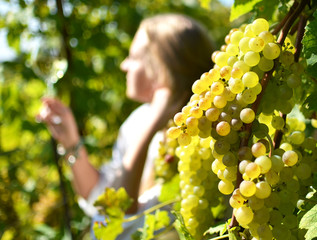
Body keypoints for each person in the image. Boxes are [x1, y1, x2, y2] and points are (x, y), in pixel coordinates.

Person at [38, 13, 215, 238]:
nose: (124, 65)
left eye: (132, 57)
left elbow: (119, 212)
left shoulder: (200, 135)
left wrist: (152, 127)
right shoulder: (137, 120)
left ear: (161, 67)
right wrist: (71, 142)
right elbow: (101, 197)